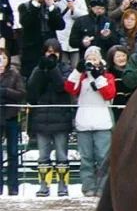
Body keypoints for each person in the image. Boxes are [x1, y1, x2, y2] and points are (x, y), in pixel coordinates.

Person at [63, 44, 115, 197]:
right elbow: (70, 88)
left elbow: (109, 94)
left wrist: (98, 76)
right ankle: (88, 186)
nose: (92, 62)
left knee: (103, 157)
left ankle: (103, 188)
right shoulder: (81, 78)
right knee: (86, 158)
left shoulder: (107, 77)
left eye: (95, 59)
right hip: (84, 122)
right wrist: (78, 71)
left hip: (102, 123)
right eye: (89, 59)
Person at [27, 39, 74, 196]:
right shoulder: (38, 68)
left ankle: (63, 185)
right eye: (48, 51)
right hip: (41, 118)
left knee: (62, 154)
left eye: (54, 51)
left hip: (60, 117)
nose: (51, 54)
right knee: (43, 155)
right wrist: (41, 70)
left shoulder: (66, 68)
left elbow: (63, 87)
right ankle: (44, 185)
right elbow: (32, 89)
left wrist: (53, 69)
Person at [19, 0, 65, 78]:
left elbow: (60, 25)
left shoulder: (53, 7)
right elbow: (26, 23)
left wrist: (51, 6)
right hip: (31, 51)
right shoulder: (25, 7)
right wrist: (36, 4)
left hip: (49, 48)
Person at [0, 45, 25, 196]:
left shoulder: (14, 74)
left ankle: (13, 186)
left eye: (3, 57)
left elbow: (21, 93)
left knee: (13, 153)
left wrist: (5, 92)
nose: (1, 61)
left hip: (11, 116)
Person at [53, 0, 87, 66]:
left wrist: (73, 9)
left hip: (75, 33)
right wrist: (55, 0)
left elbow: (85, 14)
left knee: (75, 65)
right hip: (61, 33)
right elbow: (53, 12)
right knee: (63, 64)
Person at [105, 44, 132, 116]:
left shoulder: (132, 70)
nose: (121, 58)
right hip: (116, 107)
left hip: (131, 104)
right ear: (112, 58)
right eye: (118, 56)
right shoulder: (108, 73)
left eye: (123, 55)